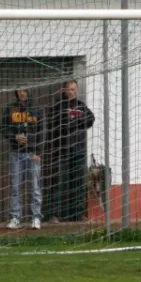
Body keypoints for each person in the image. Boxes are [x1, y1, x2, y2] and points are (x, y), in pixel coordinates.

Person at [46, 81, 95, 223]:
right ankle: (54, 214)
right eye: (69, 89)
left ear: (76, 90)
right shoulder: (57, 107)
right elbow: (58, 123)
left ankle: (79, 214)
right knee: (58, 183)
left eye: (74, 89)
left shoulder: (81, 106)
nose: (71, 92)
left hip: (78, 151)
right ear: (64, 90)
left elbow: (91, 119)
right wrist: (76, 121)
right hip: (62, 151)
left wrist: (75, 120)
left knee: (78, 184)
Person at [0, 90, 45, 230]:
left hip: (32, 154)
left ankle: (36, 218)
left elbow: (42, 131)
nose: (22, 93)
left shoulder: (37, 109)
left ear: (30, 91)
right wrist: (15, 137)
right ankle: (15, 218)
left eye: (25, 90)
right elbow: (3, 128)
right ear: (16, 93)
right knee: (15, 187)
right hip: (16, 154)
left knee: (35, 188)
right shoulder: (10, 109)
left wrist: (38, 152)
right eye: (19, 91)